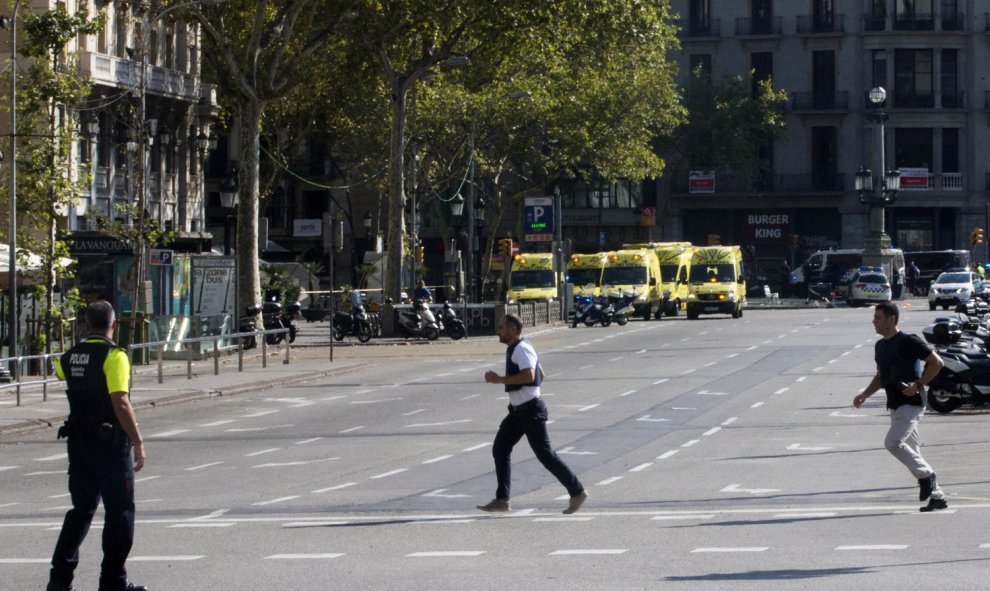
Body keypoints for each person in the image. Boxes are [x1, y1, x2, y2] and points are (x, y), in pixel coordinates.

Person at [47, 301, 147, 591]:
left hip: (79, 444)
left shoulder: (68, 357)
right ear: (113, 325)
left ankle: (59, 580)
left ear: (86, 325)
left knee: (81, 510)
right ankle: (113, 582)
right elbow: (120, 401)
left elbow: (61, 373)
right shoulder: (115, 356)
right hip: (110, 446)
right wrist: (138, 441)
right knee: (120, 513)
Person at [478, 313, 588, 514]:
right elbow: (541, 374)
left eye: (501, 327)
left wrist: (500, 380)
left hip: (530, 412)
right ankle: (502, 499)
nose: (498, 331)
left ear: (513, 330)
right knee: (500, 449)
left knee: (545, 455)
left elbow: (530, 375)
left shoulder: (521, 348)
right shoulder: (518, 348)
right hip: (518, 412)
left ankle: (577, 491)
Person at [852, 302, 948, 512]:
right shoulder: (880, 346)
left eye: (878, 317)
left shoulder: (908, 341)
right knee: (912, 451)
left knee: (893, 442)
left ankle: (927, 476)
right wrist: (865, 395)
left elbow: (936, 362)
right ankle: (937, 496)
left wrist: (919, 384)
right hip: (895, 404)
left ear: (891, 319)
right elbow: (880, 376)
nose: (874, 322)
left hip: (912, 403)